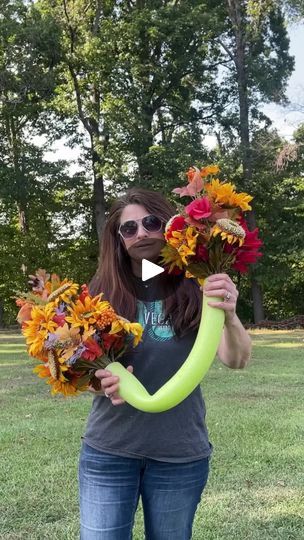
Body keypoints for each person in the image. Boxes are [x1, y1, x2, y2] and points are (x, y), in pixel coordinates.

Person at [79, 187, 252, 540]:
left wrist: (230, 316)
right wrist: (99, 382)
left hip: (179, 455)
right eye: (128, 229)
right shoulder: (100, 291)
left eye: (151, 222)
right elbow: (81, 371)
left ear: (169, 225)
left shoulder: (198, 284)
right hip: (108, 452)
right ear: (118, 239)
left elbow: (235, 359)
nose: (140, 233)